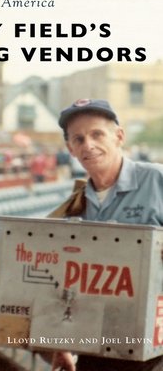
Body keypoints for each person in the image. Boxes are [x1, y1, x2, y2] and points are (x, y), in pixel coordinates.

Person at [49, 98, 163, 371]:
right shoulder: (75, 205)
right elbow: (64, 279)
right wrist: (60, 343)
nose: (88, 144)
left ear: (119, 136)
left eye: (97, 134)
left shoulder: (157, 181)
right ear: (71, 149)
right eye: (79, 139)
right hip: (97, 345)